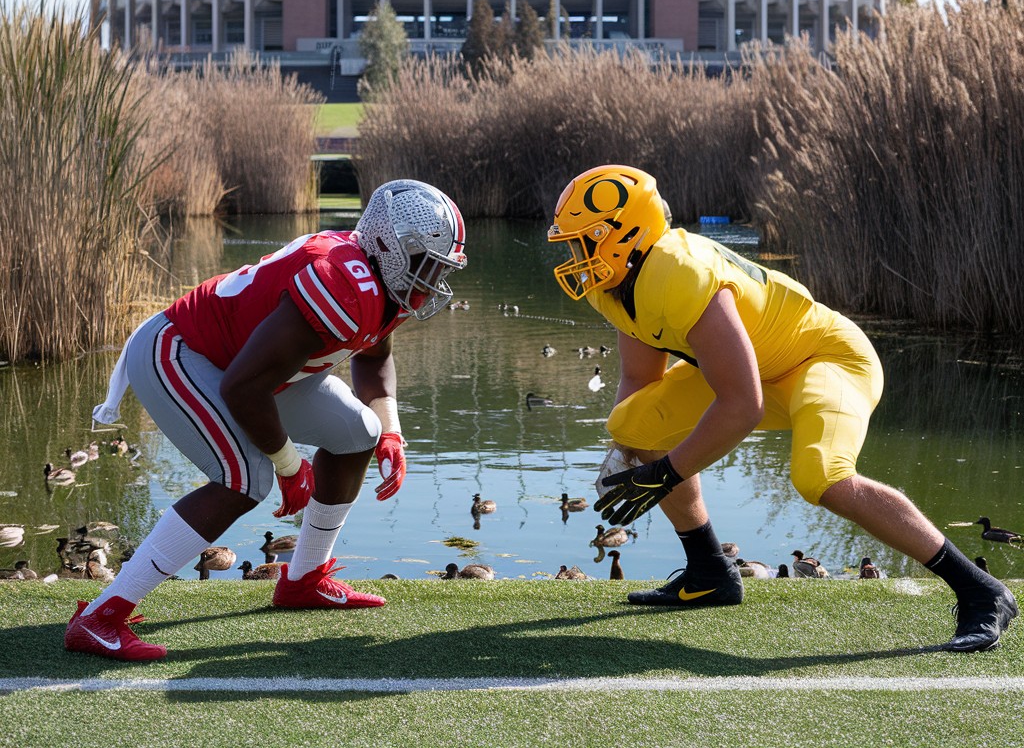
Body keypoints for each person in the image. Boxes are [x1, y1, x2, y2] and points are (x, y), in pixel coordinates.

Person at [547, 164, 1017, 652]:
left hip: (823, 359)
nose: (574, 257)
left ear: (625, 235)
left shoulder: (678, 272)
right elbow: (642, 380)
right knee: (631, 421)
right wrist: (629, 456)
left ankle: (982, 590)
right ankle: (709, 571)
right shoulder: (615, 285)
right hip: (758, 375)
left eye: (583, 242)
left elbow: (742, 406)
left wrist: (665, 473)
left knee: (822, 476)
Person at [65, 179, 467, 662]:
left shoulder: (382, 278)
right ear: (389, 245)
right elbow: (242, 387)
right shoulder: (342, 282)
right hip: (185, 351)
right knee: (243, 480)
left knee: (360, 432)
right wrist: (290, 465)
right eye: (426, 264)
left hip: (251, 368)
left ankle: (303, 580)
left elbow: (373, 355)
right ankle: (102, 615)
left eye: (438, 268)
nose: (432, 280)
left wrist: (392, 431)